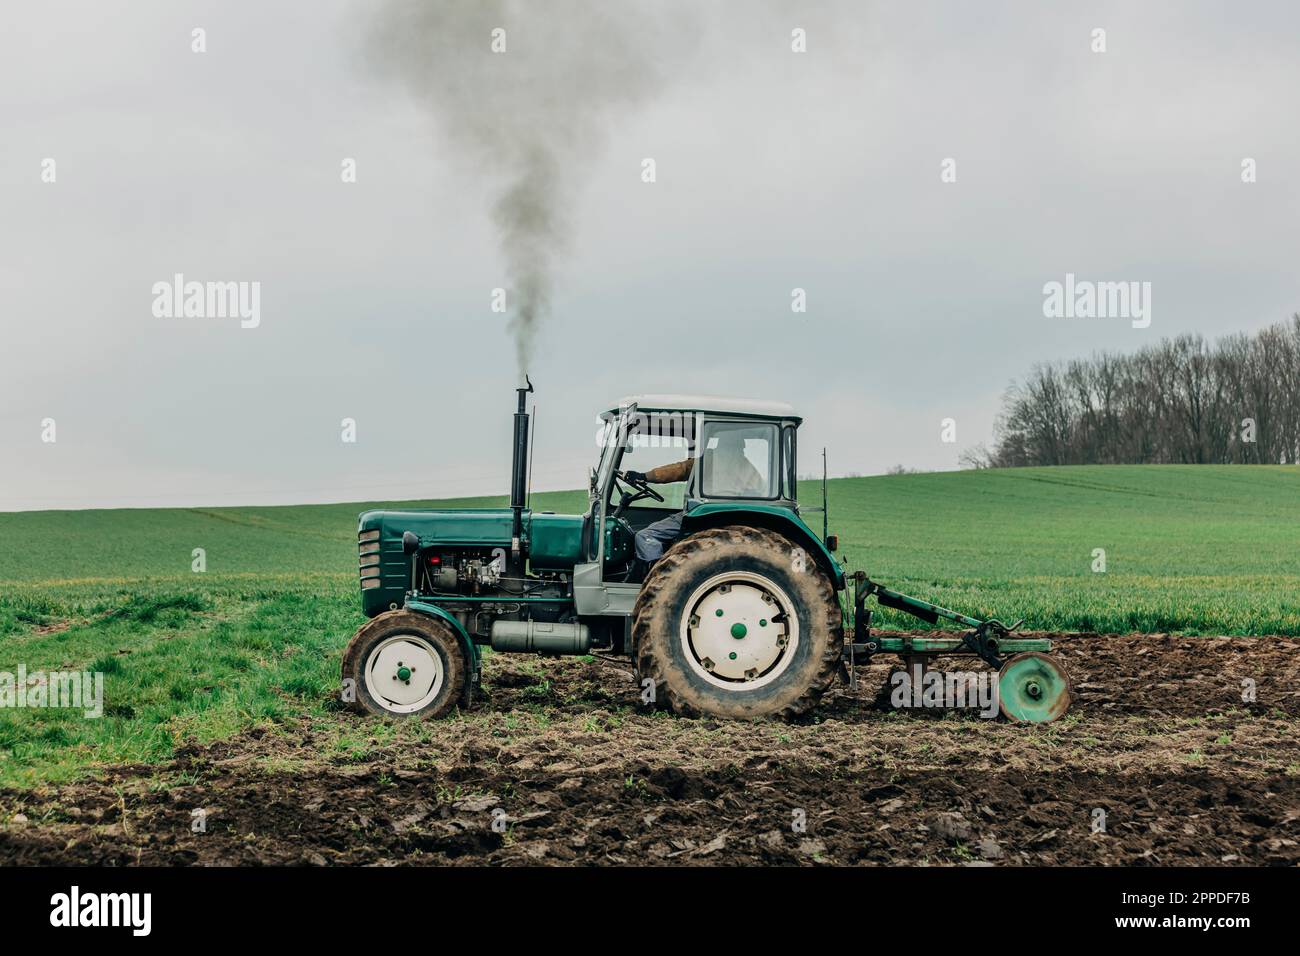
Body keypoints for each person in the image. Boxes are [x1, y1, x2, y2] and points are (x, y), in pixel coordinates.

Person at [624, 430, 767, 578]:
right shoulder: (749, 467)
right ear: (741, 446)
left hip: (702, 513)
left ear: (719, 442)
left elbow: (678, 470)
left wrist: (644, 476)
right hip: (731, 518)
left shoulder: (708, 459)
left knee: (646, 535)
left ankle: (656, 579)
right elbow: (760, 492)